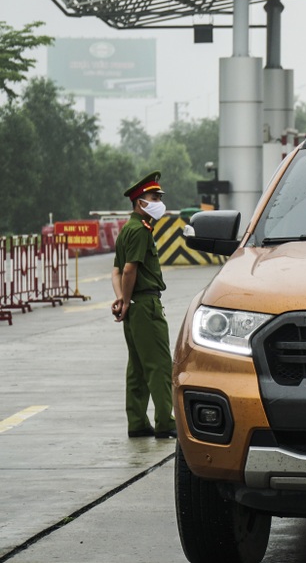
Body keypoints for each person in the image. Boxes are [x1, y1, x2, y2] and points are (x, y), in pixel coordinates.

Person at [111, 171, 177, 440]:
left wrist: (121, 300)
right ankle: (165, 422)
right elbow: (128, 270)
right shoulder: (140, 231)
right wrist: (126, 301)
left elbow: (115, 273)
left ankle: (137, 422)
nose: (159, 201)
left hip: (133, 305)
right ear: (140, 202)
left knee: (137, 368)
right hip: (146, 305)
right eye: (154, 197)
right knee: (160, 365)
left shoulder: (127, 229)